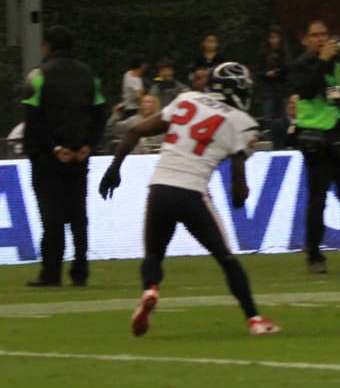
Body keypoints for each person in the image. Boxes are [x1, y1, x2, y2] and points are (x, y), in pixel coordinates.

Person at [98, 62, 280, 337]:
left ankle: (150, 290)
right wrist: (241, 196)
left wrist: (113, 170)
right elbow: (238, 180)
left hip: (159, 188)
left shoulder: (186, 99)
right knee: (226, 258)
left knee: (154, 255)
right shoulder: (243, 123)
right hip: (192, 192)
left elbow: (134, 131)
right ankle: (254, 318)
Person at [21, 27, 108, 287]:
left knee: (51, 215)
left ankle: (51, 272)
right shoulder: (89, 75)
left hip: (49, 157)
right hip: (80, 155)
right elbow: (100, 114)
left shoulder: (37, 76)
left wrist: (54, 148)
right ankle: (80, 271)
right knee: (78, 214)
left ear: (47, 46)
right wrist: (88, 145)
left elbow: (32, 119)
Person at [291, 19, 340, 274]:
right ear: (306, 39)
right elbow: (307, 91)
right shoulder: (300, 65)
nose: (320, 39)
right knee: (317, 200)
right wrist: (323, 61)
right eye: (314, 35)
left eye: (323, 34)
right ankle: (314, 255)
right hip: (314, 138)